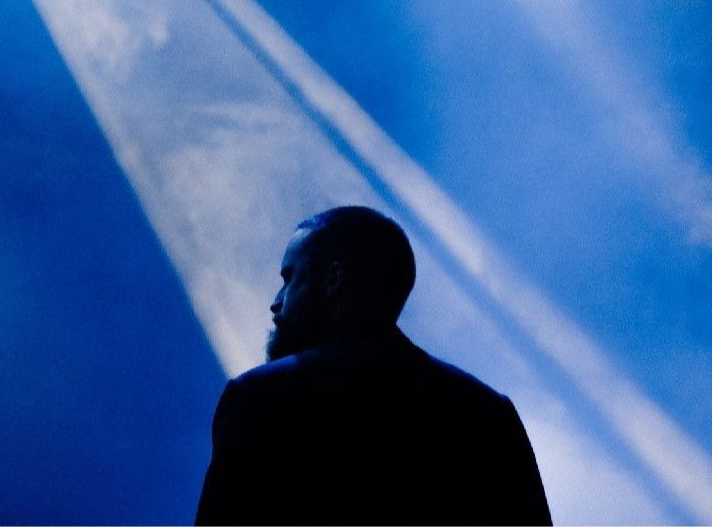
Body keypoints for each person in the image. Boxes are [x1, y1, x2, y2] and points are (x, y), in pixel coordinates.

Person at [195, 206, 552, 526]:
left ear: (334, 279)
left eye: (290, 278)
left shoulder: (260, 400)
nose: (277, 303)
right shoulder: (486, 413)